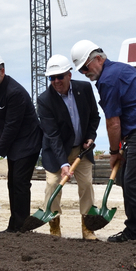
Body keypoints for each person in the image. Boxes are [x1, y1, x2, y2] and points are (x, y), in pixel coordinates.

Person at [71, 40, 136, 244]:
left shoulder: (108, 80)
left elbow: (113, 123)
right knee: (127, 179)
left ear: (98, 58)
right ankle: (134, 230)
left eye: (85, 67)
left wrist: (114, 152)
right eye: (80, 70)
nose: (84, 73)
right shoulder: (120, 69)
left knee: (135, 184)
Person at [37, 54, 101, 240]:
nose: (56, 81)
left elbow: (94, 117)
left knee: (87, 185)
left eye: (59, 77)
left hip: (82, 149)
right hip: (57, 152)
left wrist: (90, 137)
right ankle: (54, 226)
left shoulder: (85, 89)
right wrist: (63, 163)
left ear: (69, 75)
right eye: (52, 78)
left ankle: (88, 228)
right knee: (52, 185)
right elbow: (53, 135)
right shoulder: (45, 100)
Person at [0, 51, 42, 232]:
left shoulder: (15, 92)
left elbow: (13, 125)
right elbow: (5, 119)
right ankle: (14, 225)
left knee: (20, 183)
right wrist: (0, 132)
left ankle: (21, 227)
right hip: (15, 141)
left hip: (28, 142)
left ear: (2, 71)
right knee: (12, 183)